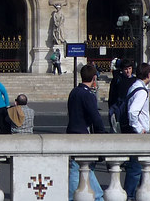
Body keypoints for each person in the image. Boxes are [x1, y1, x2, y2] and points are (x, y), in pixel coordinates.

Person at [66, 64, 106, 201]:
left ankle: (98, 196)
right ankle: (73, 196)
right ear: (94, 78)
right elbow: (96, 117)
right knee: (78, 167)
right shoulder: (88, 95)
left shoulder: (74, 91)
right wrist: (101, 133)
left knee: (84, 167)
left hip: (72, 131)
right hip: (82, 134)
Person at [123, 63, 150, 200]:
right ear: (149, 75)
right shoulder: (141, 91)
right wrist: (139, 129)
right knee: (136, 167)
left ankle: (141, 193)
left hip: (134, 131)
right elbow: (133, 112)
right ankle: (129, 195)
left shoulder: (134, 86)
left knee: (140, 166)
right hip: (138, 133)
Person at [106, 59, 134, 133]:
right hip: (119, 109)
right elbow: (112, 95)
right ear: (122, 70)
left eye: (129, 68)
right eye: (126, 69)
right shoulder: (117, 80)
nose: (128, 71)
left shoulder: (135, 81)